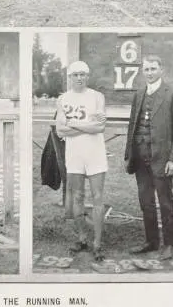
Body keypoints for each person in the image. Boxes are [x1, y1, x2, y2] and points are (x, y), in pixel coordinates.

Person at [124, 55, 173, 260]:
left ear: (161, 70)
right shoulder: (139, 94)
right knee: (146, 202)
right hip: (140, 158)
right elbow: (132, 126)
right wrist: (129, 155)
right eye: (146, 69)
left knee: (166, 202)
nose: (149, 73)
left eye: (153, 69)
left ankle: (170, 244)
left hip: (162, 158)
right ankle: (151, 242)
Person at [55, 61, 108, 262]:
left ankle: (97, 243)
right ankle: (82, 238)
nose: (79, 78)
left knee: (97, 197)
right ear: (70, 77)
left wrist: (74, 123)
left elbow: (99, 128)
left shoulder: (97, 97)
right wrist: (88, 125)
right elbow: (60, 130)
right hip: (74, 154)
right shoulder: (62, 99)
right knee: (77, 197)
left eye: (83, 74)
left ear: (88, 76)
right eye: (75, 74)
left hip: (95, 152)